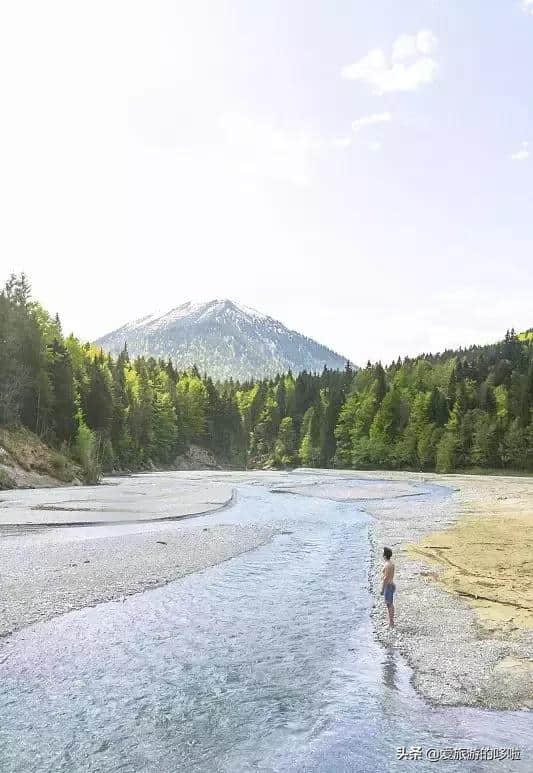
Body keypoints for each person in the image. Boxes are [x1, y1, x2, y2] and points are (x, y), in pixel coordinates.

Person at [381, 546, 396, 628]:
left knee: (389, 604)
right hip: (392, 584)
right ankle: (391, 621)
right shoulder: (391, 563)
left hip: (388, 586)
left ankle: (391, 623)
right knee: (390, 604)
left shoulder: (387, 565)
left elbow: (385, 578)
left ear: (385, 555)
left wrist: (382, 589)